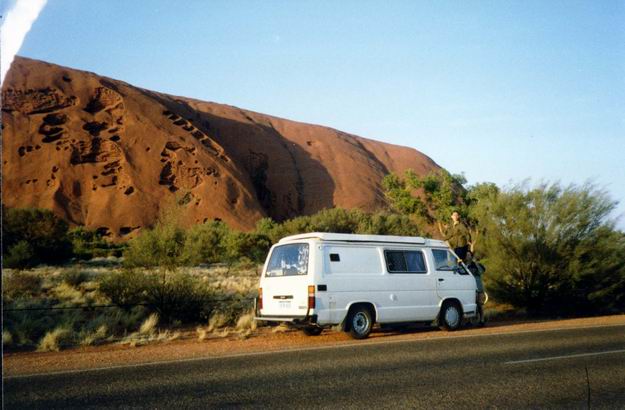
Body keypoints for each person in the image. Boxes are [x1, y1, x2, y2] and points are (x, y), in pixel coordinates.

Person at [465, 251, 487, 326]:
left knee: (479, 304)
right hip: (469, 289)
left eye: (469, 255)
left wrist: (476, 263)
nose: (467, 256)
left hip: (478, 288)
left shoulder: (475, 265)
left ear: (471, 256)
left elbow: (481, 271)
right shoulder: (463, 265)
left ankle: (482, 320)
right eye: (466, 255)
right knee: (470, 304)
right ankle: (469, 321)